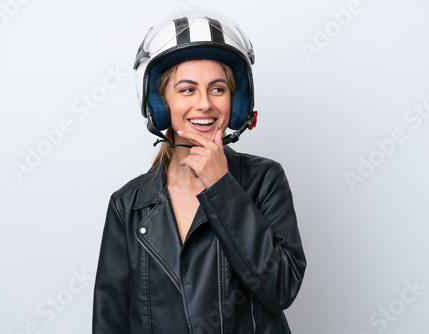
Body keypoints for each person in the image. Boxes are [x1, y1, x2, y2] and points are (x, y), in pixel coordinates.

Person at [93, 11, 306, 334]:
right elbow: (110, 322)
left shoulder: (265, 180)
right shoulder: (127, 205)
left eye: (218, 89)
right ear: (160, 103)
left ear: (237, 103)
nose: (204, 104)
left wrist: (221, 185)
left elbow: (280, 290)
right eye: (187, 90)